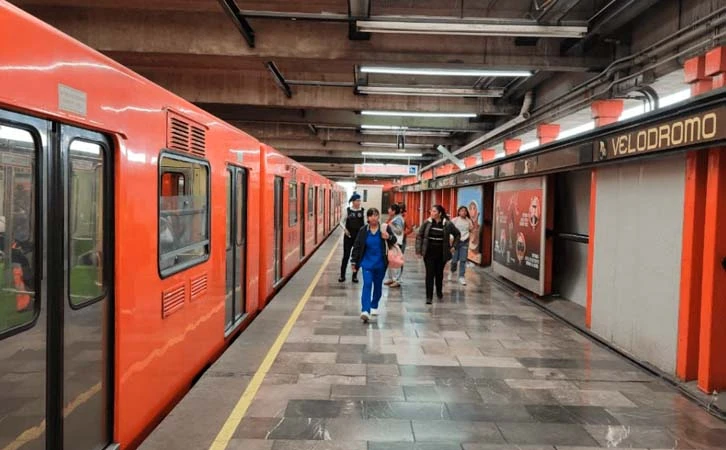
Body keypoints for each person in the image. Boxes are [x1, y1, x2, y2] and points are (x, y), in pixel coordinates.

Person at [351, 208, 397, 323]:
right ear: (367, 218)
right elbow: (357, 246)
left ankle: (374, 304)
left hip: (380, 264)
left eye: (376, 215)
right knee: (367, 284)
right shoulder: (363, 230)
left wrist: (388, 237)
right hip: (366, 263)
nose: (373, 218)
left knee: (377, 286)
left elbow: (394, 240)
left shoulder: (385, 228)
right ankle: (365, 310)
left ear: (378, 217)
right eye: (371, 215)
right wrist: (353, 262)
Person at [416, 204, 460, 305]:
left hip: (442, 254)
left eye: (434, 211)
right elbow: (419, 236)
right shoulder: (427, 223)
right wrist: (418, 250)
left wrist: (454, 247)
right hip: (429, 253)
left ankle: (439, 291)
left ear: (440, 213)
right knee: (429, 274)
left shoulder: (447, 224)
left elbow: (457, 234)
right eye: (431, 211)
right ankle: (429, 297)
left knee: (439, 274)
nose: (432, 213)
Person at [339, 192, 365, 283]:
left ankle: (355, 276)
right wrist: (345, 229)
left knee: (357, 257)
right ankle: (342, 275)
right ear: (353, 202)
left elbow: (365, 224)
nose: (359, 202)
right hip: (349, 236)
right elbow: (341, 222)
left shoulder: (362, 211)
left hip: (359, 238)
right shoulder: (347, 210)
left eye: (359, 201)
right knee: (346, 256)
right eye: (357, 201)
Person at [449, 206, 474, 285]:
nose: (463, 212)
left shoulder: (468, 221)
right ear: (458, 212)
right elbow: (449, 230)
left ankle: (461, 277)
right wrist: (451, 240)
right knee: (454, 260)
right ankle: (452, 270)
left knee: (463, 260)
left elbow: (471, 230)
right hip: (456, 242)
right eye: (462, 211)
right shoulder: (454, 220)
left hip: (465, 242)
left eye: (465, 211)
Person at [384, 204, 405, 287]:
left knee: (396, 262)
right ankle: (391, 278)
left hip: (396, 243)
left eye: (389, 209)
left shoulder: (398, 219)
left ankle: (397, 280)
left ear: (393, 211)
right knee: (391, 261)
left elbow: (399, 231)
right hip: (391, 242)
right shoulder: (394, 218)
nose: (388, 211)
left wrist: (390, 225)